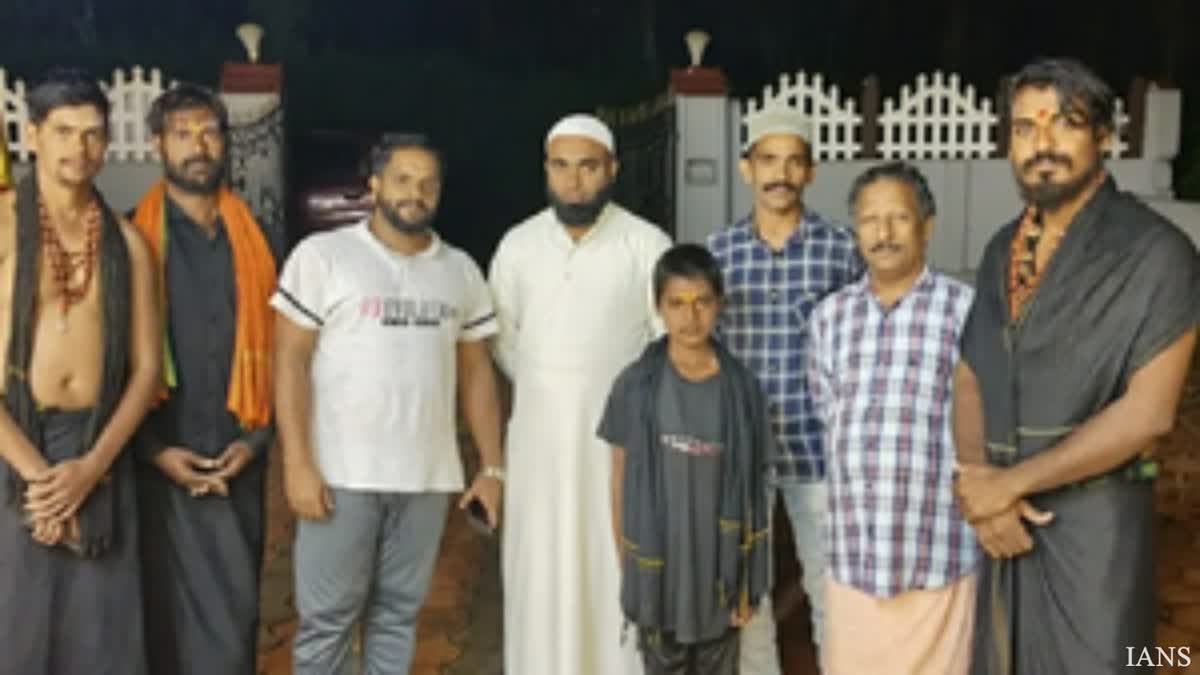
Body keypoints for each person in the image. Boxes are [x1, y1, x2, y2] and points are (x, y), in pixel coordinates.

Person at [953, 58, 1200, 675]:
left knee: (1121, 658)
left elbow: (1149, 415)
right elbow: (969, 374)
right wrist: (982, 483)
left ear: (1106, 137)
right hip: (1003, 528)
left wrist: (1010, 486)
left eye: (1064, 124)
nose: (1042, 144)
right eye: (1024, 128)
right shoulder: (998, 252)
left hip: (1096, 525)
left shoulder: (1158, 254)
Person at [272, 134, 505, 675]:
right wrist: (297, 463)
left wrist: (490, 468)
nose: (415, 193)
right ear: (373, 184)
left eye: (428, 183)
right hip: (340, 477)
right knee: (327, 620)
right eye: (402, 179)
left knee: (398, 617)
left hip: (426, 479)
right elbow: (290, 362)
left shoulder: (461, 270)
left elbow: (477, 375)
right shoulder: (325, 257)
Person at [489, 113, 672, 675]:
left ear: (611, 170)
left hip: (620, 449)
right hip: (540, 445)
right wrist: (555, 387)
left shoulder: (646, 245)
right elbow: (503, 339)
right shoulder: (518, 245)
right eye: (561, 167)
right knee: (539, 571)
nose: (574, 181)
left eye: (588, 167)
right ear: (546, 170)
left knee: (611, 564)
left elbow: (666, 339)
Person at [0, 67, 160, 675]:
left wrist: (89, 471)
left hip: (98, 450)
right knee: (16, 627)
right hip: (17, 444)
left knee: (102, 639)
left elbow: (144, 372)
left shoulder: (128, 242)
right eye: (64, 131)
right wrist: (42, 481)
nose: (80, 148)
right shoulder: (3, 226)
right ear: (33, 135)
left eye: (93, 134)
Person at [706, 106, 864, 671]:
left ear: (811, 172)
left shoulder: (841, 250)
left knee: (832, 587)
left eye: (793, 162)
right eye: (768, 160)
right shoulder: (718, 254)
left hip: (818, 448)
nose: (780, 174)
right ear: (747, 168)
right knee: (747, 595)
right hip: (742, 450)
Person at [130, 83, 278, 675]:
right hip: (158, 461)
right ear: (156, 144)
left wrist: (257, 443)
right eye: (182, 132)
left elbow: (288, 355)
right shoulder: (129, 242)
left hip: (240, 454)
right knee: (161, 623)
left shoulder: (262, 240)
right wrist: (153, 451)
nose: (198, 145)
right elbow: (113, 363)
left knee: (234, 621)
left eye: (209, 131)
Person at [808, 162, 978, 675]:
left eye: (898, 219)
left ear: (926, 225)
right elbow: (828, 416)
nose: (883, 234)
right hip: (853, 552)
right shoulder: (830, 318)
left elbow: (983, 426)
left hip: (938, 550)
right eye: (869, 221)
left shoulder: (965, 311)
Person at [598, 243, 773, 675]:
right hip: (660, 576)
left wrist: (749, 581)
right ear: (658, 307)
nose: (689, 317)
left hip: (720, 579)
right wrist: (629, 562)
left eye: (702, 303)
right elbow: (619, 479)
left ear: (720, 305)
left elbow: (756, 492)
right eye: (676, 303)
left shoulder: (743, 390)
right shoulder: (635, 386)